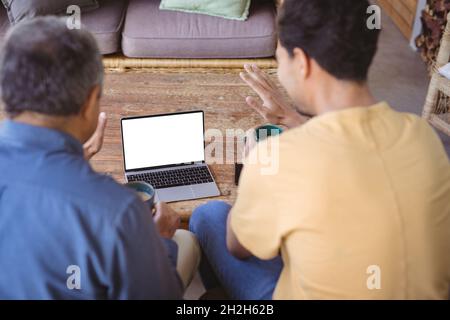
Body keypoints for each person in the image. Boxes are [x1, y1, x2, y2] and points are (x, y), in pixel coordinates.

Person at [189, 0, 450, 300]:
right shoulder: (421, 136)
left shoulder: (278, 162)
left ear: (301, 62)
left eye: (280, 58)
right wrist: (297, 121)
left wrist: (251, 171)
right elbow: (357, 159)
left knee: (208, 216)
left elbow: (237, 247)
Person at [0, 17, 199, 299]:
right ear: (90, 100)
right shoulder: (117, 211)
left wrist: (68, 162)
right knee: (186, 241)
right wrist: (161, 241)